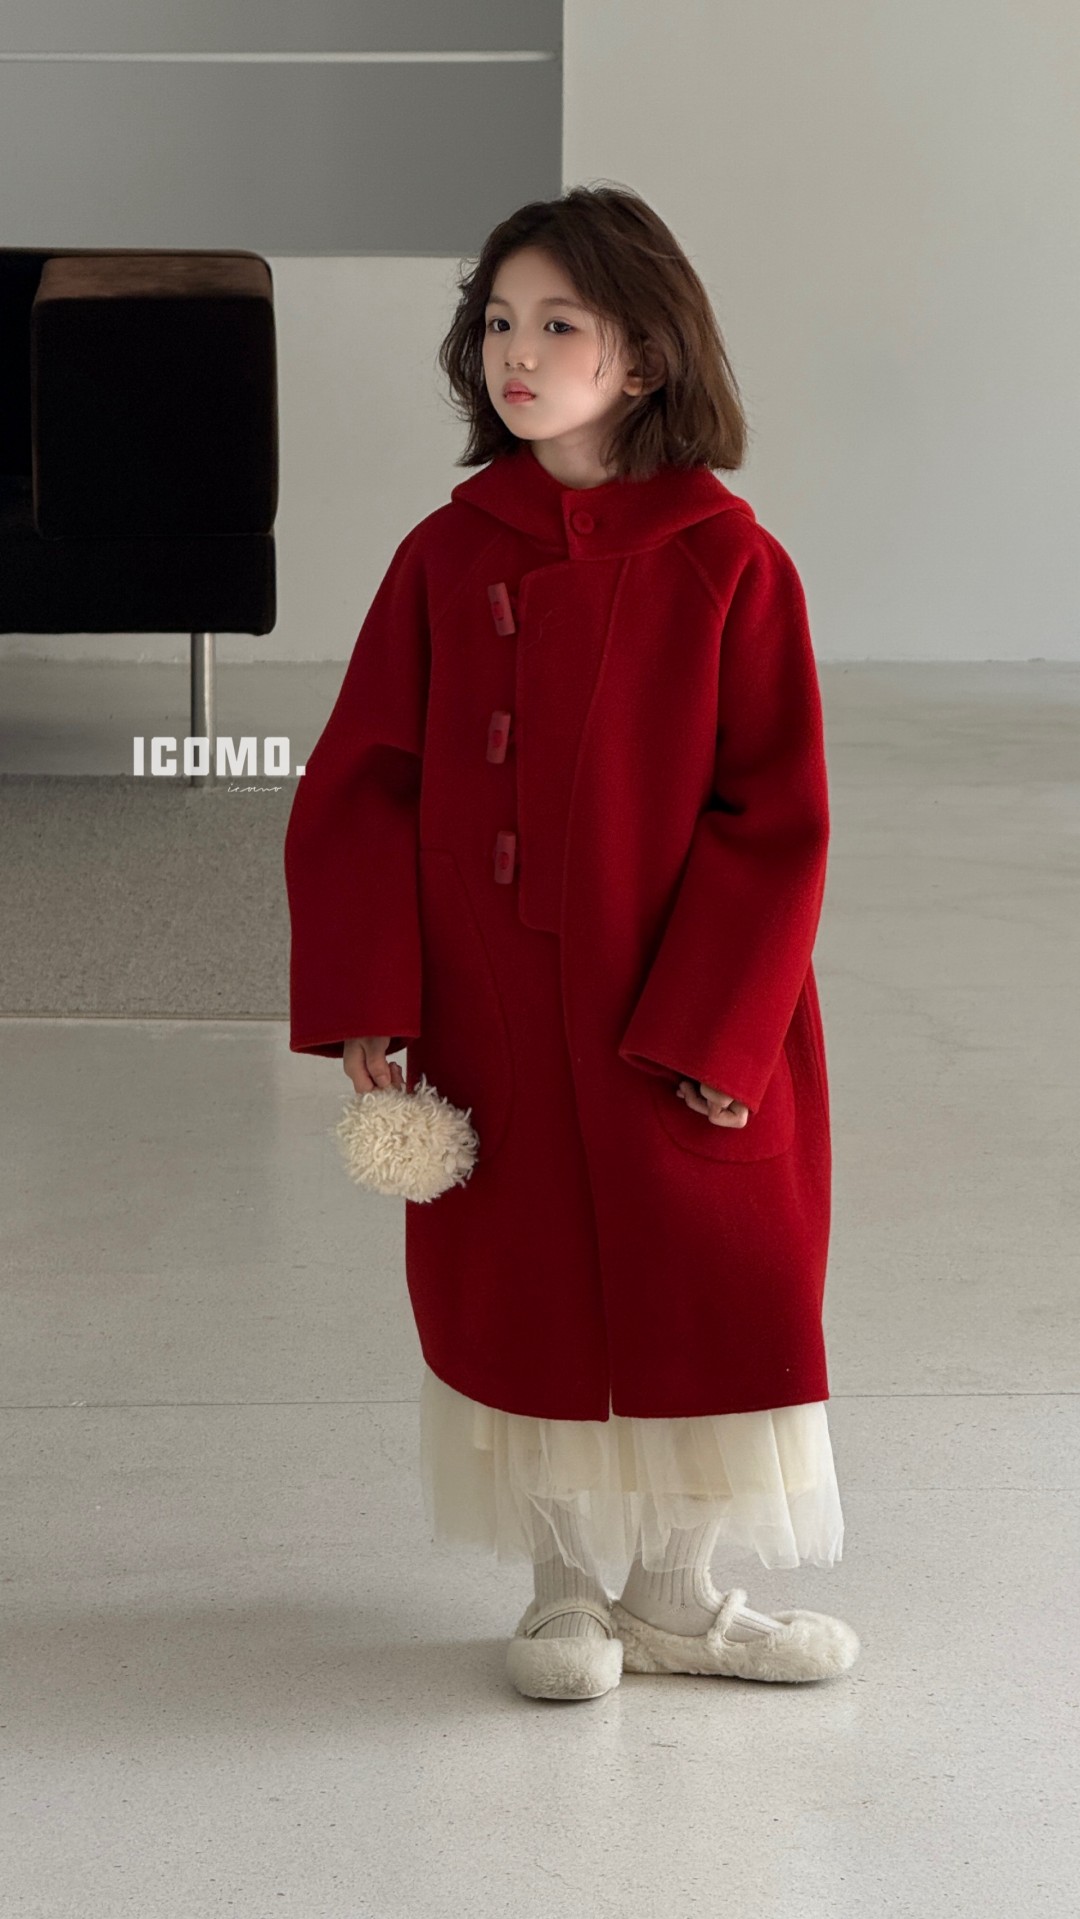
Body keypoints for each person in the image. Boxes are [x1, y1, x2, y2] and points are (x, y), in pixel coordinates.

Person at [284, 184, 861, 1700]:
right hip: (488, 1008)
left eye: (558, 325)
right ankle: (561, 1598)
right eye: (496, 324)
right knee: (515, 1288)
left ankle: (676, 1596)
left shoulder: (728, 561)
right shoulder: (443, 555)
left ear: (647, 357)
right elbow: (362, 784)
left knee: (713, 1283)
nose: (516, 355)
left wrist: (719, 1029)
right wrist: (371, 994)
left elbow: (775, 814)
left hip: (674, 1004)